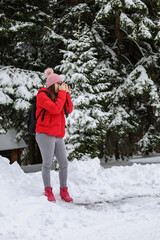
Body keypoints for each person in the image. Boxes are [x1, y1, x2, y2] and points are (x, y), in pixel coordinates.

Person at [35, 68, 73, 202]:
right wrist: (63, 94)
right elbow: (55, 109)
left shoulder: (59, 96)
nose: (61, 86)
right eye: (58, 84)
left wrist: (66, 94)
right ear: (51, 85)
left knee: (64, 163)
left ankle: (63, 190)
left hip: (58, 135)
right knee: (47, 163)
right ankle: (48, 190)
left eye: (61, 83)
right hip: (44, 134)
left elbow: (68, 109)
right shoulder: (42, 96)